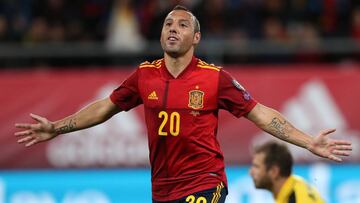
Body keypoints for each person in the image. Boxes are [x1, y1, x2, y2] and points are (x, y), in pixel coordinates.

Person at [15, 5, 352, 203]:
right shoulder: (144, 76)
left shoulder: (214, 78)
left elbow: (261, 114)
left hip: (206, 182)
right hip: (162, 189)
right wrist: (57, 128)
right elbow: (106, 106)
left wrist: (309, 142)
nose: (173, 29)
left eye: (182, 25)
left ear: (196, 38)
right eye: (168, 24)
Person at [250, 141, 325, 203]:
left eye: (256, 167)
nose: (250, 173)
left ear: (274, 171)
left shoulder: (298, 199)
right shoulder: (295, 185)